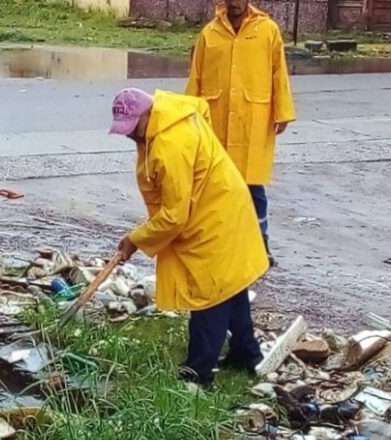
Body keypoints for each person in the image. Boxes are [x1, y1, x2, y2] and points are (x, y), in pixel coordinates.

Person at [110, 87, 268, 390]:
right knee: (230, 286)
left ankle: (198, 373)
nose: (130, 136)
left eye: (132, 127)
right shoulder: (166, 120)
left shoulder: (171, 144)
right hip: (220, 207)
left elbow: (175, 215)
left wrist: (136, 239)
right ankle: (246, 355)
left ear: (147, 113)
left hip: (214, 219)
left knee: (207, 294)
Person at [185, 0, 295, 267]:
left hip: (252, 122)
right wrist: (188, 115)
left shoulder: (267, 30)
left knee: (252, 187)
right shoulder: (210, 34)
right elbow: (196, 77)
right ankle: (219, 245)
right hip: (216, 122)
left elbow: (278, 73)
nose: (234, 4)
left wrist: (282, 111)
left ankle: (261, 245)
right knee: (216, 188)